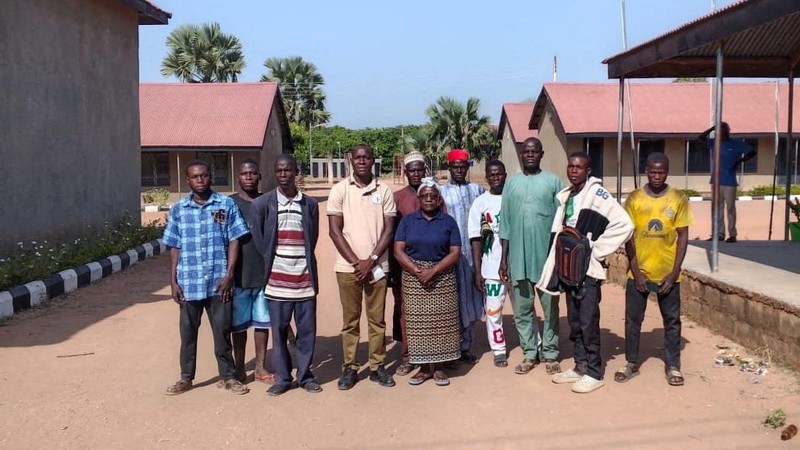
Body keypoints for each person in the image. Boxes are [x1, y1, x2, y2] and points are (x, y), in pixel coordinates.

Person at [538, 152, 633, 393]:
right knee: (575, 320)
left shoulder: (598, 195)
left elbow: (625, 224)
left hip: (588, 271)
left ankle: (594, 372)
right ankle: (580, 366)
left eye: (579, 167)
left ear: (588, 170)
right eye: (571, 166)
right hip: (569, 268)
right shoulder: (569, 195)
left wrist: (595, 250)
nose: (573, 170)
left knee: (588, 321)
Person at [163, 160, 250, 396]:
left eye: (204, 175)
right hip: (189, 283)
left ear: (210, 177)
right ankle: (186, 378)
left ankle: (228, 376)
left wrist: (229, 275)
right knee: (188, 334)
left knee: (222, 332)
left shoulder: (225, 204)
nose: (200, 180)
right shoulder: (179, 209)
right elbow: (174, 246)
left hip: (218, 282)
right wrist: (173, 281)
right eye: (195, 176)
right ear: (187, 180)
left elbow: (234, 240)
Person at [617, 152, 693, 387]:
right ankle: (631, 363)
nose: (657, 176)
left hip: (668, 274)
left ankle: (673, 366)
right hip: (639, 273)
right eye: (653, 172)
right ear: (646, 172)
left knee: (672, 320)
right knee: (633, 320)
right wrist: (637, 271)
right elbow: (628, 237)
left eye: (661, 172)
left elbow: (683, 236)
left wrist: (674, 272)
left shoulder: (678, 199)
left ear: (667, 172)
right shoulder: (634, 199)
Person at [250, 154, 322, 396]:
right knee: (279, 332)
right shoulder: (262, 204)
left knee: (306, 332)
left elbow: (312, 238)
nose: (283, 175)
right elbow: (261, 242)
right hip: (277, 281)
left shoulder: (309, 204)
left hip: (304, 281)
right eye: (279, 171)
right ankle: (282, 378)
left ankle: (305, 376)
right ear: (274, 173)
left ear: (295, 172)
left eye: (288, 170)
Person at [328, 144, 396, 390]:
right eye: (357, 157)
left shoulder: (384, 190)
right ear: (350, 160)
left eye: (367, 157)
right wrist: (357, 263)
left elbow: (389, 229)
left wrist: (372, 259)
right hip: (348, 269)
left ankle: (377, 366)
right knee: (351, 321)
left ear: (373, 160)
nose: (362, 161)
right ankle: (350, 367)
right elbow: (334, 231)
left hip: (378, 267)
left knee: (377, 320)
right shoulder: (340, 190)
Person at [499, 137, 564, 375]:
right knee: (522, 311)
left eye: (534, 151)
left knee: (550, 309)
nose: (529, 155)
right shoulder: (511, 184)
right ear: (521, 154)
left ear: (541, 154)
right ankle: (529, 353)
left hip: (547, 261)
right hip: (518, 260)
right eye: (525, 151)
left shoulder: (553, 182)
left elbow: (562, 221)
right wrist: (503, 260)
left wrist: (559, 260)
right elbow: (505, 224)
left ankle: (551, 353)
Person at [394, 179, 462, 386]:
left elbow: (455, 251)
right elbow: (398, 250)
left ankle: (439, 368)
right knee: (418, 325)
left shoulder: (448, 222)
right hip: (414, 277)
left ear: (439, 199)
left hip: (443, 276)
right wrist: (417, 271)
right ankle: (423, 369)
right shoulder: (408, 221)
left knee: (442, 325)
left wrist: (434, 270)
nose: (429, 199)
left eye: (433, 196)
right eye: (425, 196)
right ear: (419, 199)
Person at [390, 151, 445, 376]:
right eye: (411, 170)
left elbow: (443, 227)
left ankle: (437, 356)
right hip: (404, 265)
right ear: (405, 172)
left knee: (434, 312)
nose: (416, 174)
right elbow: (391, 233)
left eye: (419, 169)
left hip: (433, 265)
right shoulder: (397, 198)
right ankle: (408, 356)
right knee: (406, 312)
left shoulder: (435, 195)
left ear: (425, 171)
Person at [228, 159, 274, 384]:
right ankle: (238, 368)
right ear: (238, 177)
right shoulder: (229, 204)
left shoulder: (268, 202)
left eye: (253, 173)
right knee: (238, 326)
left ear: (259, 176)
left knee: (262, 323)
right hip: (238, 276)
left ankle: (260, 367)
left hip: (264, 275)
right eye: (244, 174)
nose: (248, 177)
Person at [439, 148, 485, 365]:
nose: (459, 170)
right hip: (449, 256)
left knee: (472, 300)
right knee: (451, 302)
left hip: (473, 254)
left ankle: (466, 346)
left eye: (462, 167)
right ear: (449, 168)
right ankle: (449, 348)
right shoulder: (441, 192)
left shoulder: (477, 190)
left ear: (467, 168)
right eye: (455, 167)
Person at [467, 160, 511, 368]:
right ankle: (499, 349)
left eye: (499, 174)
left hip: (516, 266)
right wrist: (478, 271)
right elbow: (475, 239)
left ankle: (533, 346)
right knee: (493, 312)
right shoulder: (480, 203)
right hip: (491, 268)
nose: (496, 177)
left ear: (505, 175)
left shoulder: (512, 198)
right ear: (486, 177)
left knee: (524, 310)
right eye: (491, 174)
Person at [698, 122, 755, 243]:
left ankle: (732, 234)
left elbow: (752, 152)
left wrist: (739, 161)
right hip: (716, 180)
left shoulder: (736, 144)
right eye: (720, 131)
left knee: (730, 208)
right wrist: (713, 128)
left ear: (728, 132)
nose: (723, 133)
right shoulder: (715, 143)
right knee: (716, 208)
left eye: (725, 131)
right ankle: (719, 234)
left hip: (729, 181)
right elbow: (700, 138)